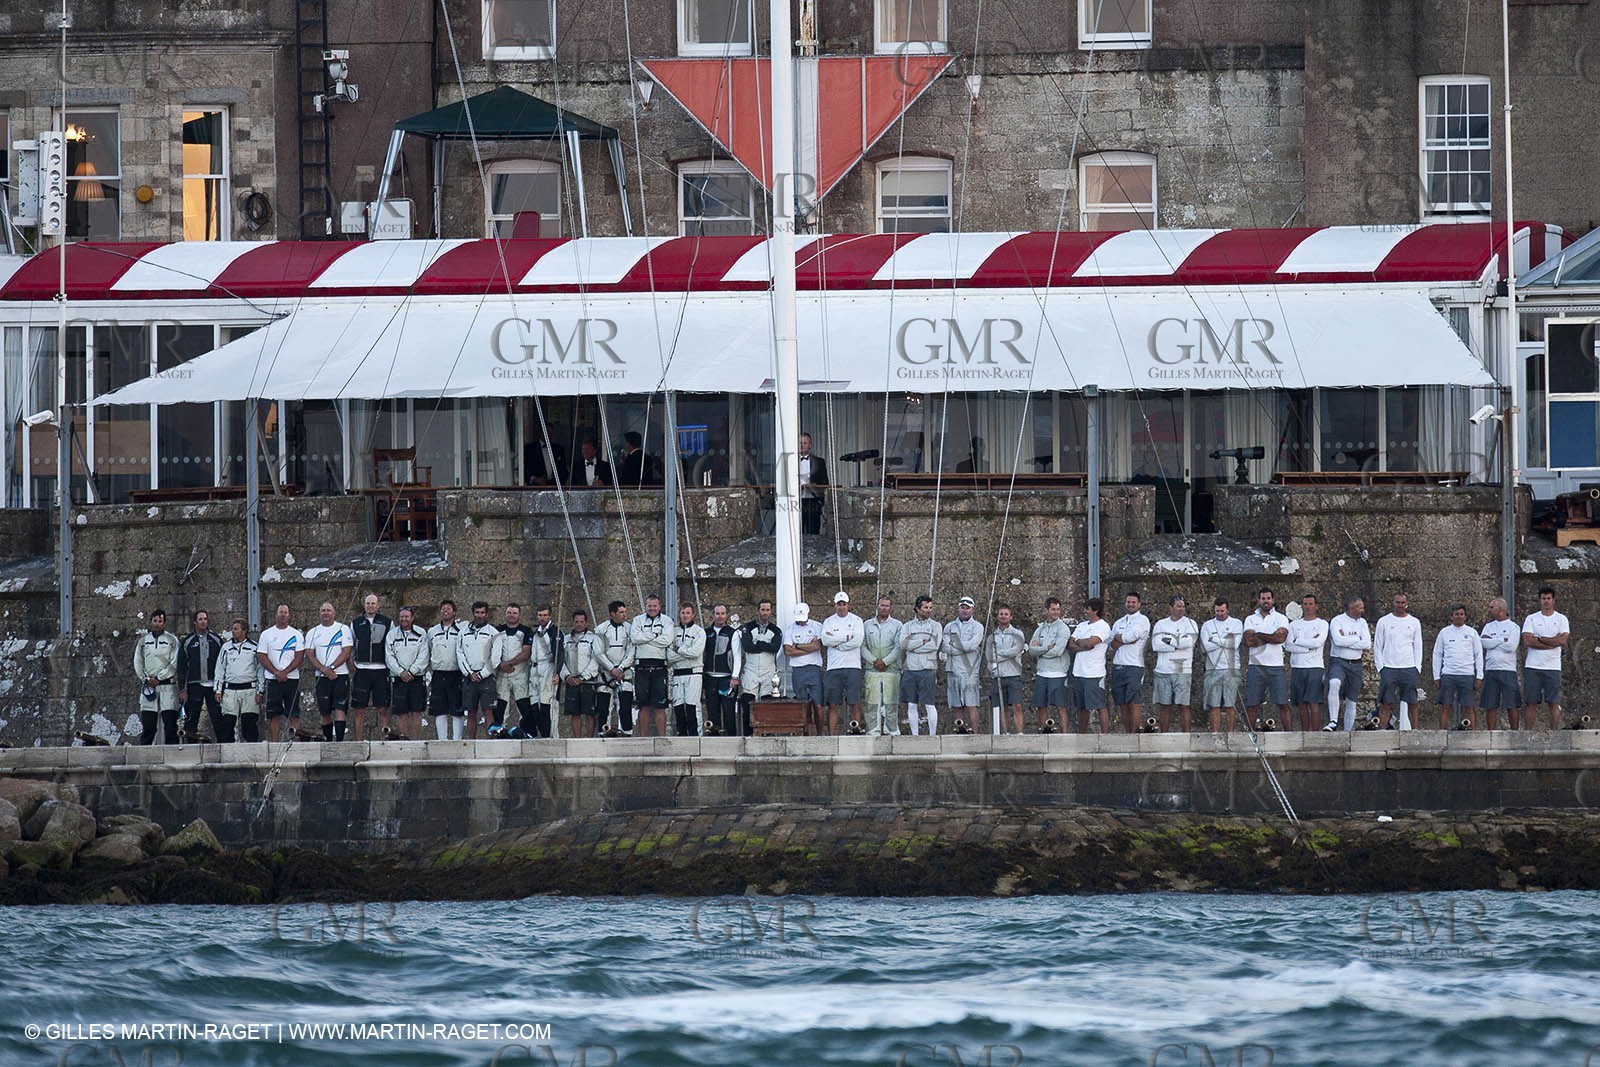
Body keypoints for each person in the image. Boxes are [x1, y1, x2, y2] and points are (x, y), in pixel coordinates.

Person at [1522, 585, 1570, 731]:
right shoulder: (1531, 618)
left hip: (1553, 667)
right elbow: (1528, 641)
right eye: (1543, 598)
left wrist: (1540, 638)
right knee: (1531, 702)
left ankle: (1554, 733)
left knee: (1553, 702)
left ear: (1553, 600)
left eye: (1549, 598)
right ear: (1539, 600)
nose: (1546, 601)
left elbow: (1562, 641)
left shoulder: (1561, 619)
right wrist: (1551, 643)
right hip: (1533, 666)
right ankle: (1528, 733)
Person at [1242, 588, 1290, 731]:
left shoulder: (1281, 618)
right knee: (1252, 704)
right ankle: (1250, 736)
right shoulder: (1250, 619)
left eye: (1268, 598)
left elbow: (1280, 638)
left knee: (1283, 703)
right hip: (1255, 666)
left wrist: (1260, 635)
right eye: (1263, 598)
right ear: (1258, 600)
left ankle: (1289, 735)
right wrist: (1271, 636)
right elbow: (1249, 641)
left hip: (1276, 666)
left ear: (1273, 600)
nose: (1266, 601)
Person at [305, 601, 354, 741]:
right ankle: (328, 741)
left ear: (334, 612)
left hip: (340, 674)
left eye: (328, 610)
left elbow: (346, 651)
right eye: (323, 610)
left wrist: (331, 668)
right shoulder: (313, 632)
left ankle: (339, 742)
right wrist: (323, 670)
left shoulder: (343, 629)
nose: (325, 613)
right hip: (321, 676)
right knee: (324, 711)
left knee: (340, 708)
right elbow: (310, 654)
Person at [1375, 592, 1424, 731]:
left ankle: (1415, 730)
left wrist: (1417, 668)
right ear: (1393, 603)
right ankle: (1382, 731)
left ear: (1406, 604)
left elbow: (1418, 646)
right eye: (1397, 602)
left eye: (1403, 603)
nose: (1400, 605)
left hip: (1408, 667)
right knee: (1386, 702)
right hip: (1389, 668)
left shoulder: (1414, 622)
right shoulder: (1384, 621)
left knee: (1412, 702)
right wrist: (1381, 668)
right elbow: (1378, 646)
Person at [257, 603, 305, 742]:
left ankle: (294, 742)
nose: (283, 615)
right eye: (280, 612)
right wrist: (276, 672)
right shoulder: (266, 634)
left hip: (292, 679)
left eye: (285, 612)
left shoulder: (296, 634)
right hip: (273, 679)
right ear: (276, 614)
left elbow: (299, 656)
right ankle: (275, 743)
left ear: (289, 615)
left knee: (294, 713)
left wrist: (285, 672)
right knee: (273, 714)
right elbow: (262, 656)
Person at [1150, 595, 1198, 733]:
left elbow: (1188, 642)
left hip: (1182, 669)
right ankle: (1163, 735)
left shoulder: (1190, 623)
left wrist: (1168, 640)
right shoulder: (1161, 624)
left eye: (1183, 606)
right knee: (1165, 705)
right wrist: (1176, 645)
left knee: (1183, 705)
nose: (1181, 609)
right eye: (1178, 606)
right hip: (1163, 669)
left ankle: (1186, 735)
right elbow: (1156, 645)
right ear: (1171, 607)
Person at [133, 608, 182, 745]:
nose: (157, 624)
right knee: (148, 726)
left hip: (167, 686)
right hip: (149, 687)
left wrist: (160, 677)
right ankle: (145, 755)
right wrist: (146, 679)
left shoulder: (172, 640)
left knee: (171, 725)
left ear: (164, 623)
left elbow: (175, 662)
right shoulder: (143, 641)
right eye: (155, 621)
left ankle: (172, 754)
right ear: (151, 622)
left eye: (160, 621)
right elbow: (138, 661)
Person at [819, 592, 865, 736]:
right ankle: (832, 735)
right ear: (835, 605)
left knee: (854, 702)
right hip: (834, 668)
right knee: (832, 704)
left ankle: (855, 732)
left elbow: (857, 641)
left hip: (853, 667)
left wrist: (838, 644)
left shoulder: (857, 620)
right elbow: (826, 641)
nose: (841, 607)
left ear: (848, 605)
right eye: (839, 604)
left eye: (844, 604)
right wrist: (846, 638)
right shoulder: (828, 621)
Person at [1433, 603, 1483, 730]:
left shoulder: (1472, 633)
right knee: (1445, 706)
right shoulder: (1444, 633)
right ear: (1451, 617)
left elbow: (1478, 655)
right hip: (1448, 674)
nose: (1459, 616)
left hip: (1467, 674)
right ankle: (1443, 733)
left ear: (1465, 616)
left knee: (1469, 706)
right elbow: (1437, 655)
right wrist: (1436, 676)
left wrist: (1479, 676)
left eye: (1461, 614)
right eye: (1456, 614)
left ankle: (1472, 734)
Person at [176, 609, 224, 742]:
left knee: (217, 717)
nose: (203, 622)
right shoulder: (188, 641)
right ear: (194, 622)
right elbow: (181, 666)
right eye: (200, 619)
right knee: (192, 718)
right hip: (194, 684)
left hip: (212, 684)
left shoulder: (216, 639)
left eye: (205, 619)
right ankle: (190, 746)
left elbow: (222, 663)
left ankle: (222, 744)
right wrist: (182, 689)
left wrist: (221, 687)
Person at [349, 594, 392, 742]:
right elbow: (352, 644)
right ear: (364, 605)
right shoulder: (355, 623)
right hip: (362, 669)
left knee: (382, 708)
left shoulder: (387, 622)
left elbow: (390, 645)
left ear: (378, 605)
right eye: (368, 603)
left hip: (381, 669)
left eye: (373, 603)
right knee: (359, 708)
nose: (370, 606)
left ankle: (383, 739)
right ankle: (359, 741)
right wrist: (352, 663)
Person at [737, 600, 784, 736]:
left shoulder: (776, 630)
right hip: (750, 670)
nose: (765, 613)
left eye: (767, 610)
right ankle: (748, 735)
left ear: (771, 611)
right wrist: (765, 645)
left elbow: (775, 648)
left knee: (767, 705)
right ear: (757, 611)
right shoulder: (747, 627)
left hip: (768, 670)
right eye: (762, 610)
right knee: (748, 704)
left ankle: (766, 734)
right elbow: (748, 647)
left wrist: (759, 643)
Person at [630, 594, 675, 737]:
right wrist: (655, 635)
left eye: (655, 606)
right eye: (649, 606)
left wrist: (646, 638)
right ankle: (643, 738)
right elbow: (635, 638)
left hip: (659, 667)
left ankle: (661, 737)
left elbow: (667, 640)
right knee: (643, 706)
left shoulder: (667, 621)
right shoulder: (637, 620)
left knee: (660, 707)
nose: (652, 608)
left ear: (659, 606)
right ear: (646, 606)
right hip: (641, 667)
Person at [214, 618, 264, 743]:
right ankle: (228, 751)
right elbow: (220, 669)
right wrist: (218, 690)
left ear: (244, 631)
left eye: (236, 629)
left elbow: (260, 670)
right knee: (228, 723)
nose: (233, 631)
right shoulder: (226, 648)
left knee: (249, 724)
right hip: (230, 690)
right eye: (233, 629)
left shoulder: (254, 647)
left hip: (249, 690)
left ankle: (252, 752)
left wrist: (260, 691)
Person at [1107, 591, 1151, 733]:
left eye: (1133, 602)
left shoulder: (1142, 620)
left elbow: (1132, 637)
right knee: (1122, 704)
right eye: (1128, 602)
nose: (1131, 604)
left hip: (1134, 666)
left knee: (1134, 702)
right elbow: (1111, 644)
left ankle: (1135, 733)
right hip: (1118, 665)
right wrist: (1123, 639)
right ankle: (1128, 734)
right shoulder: (1119, 622)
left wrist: (1121, 638)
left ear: (1139, 604)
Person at [1027, 597, 1072, 732]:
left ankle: (1064, 735)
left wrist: (1040, 651)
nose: (1056, 612)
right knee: (1041, 705)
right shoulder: (1040, 628)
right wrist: (1046, 648)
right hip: (1042, 673)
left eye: (1058, 609)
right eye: (1053, 609)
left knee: (1061, 706)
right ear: (1046, 610)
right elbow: (1031, 650)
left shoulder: (1063, 628)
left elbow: (1058, 651)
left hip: (1058, 673)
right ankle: (1043, 732)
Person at [1067, 597, 1111, 734]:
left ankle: (1105, 735)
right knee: (1082, 706)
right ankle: (1082, 734)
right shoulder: (1081, 626)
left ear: (1095, 610)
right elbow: (1071, 645)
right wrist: (1082, 645)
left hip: (1094, 673)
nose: (1085, 611)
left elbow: (1091, 643)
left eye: (1087, 609)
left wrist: (1080, 642)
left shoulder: (1103, 626)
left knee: (1099, 705)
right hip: (1079, 672)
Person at [384, 606, 429, 740]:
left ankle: (416, 741)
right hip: (399, 678)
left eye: (406, 616)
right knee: (401, 712)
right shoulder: (392, 634)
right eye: (402, 616)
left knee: (416, 712)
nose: (404, 619)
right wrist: (400, 672)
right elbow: (389, 656)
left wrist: (411, 671)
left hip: (417, 678)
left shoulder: (421, 633)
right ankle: (404, 739)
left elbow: (424, 655)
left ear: (412, 618)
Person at [457, 601, 501, 740]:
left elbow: (495, 658)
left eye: (482, 612)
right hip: (469, 677)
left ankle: (489, 743)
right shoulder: (463, 632)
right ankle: (471, 742)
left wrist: (482, 674)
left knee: (488, 712)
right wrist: (469, 673)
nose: (480, 615)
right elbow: (460, 653)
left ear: (487, 614)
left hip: (486, 678)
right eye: (477, 612)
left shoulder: (494, 633)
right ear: (473, 613)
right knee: (471, 713)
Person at [1285, 594, 1329, 732]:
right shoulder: (1293, 625)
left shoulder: (1322, 624)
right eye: (1305, 604)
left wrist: (1298, 641)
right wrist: (1308, 647)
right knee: (1301, 703)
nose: (1308, 607)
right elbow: (1288, 646)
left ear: (1316, 606)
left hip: (1315, 667)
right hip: (1298, 667)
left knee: (1313, 702)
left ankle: (1315, 733)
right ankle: (1304, 733)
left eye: (1311, 604)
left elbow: (1318, 642)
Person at [1326, 596, 1371, 731]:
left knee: (1352, 699)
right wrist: (1357, 639)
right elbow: (1338, 641)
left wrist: (1348, 640)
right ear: (1352, 608)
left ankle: (1348, 731)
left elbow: (1367, 644)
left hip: (1356, 663)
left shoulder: (1362, 623)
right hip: (1339, 661)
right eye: (1360, 607)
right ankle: (1333, 721)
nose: (1363, 610)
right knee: (1334, 683)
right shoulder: (1337, 621)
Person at [1200, 598, 1244, 733]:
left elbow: (1234, 644)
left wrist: (1214, 639)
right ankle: (1215, 735)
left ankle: (1231, 734)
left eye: (1222, 611)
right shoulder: (1207, 625)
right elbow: (1204, 647)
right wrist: (1225, 640)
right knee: (1215, 705)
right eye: (1217, 611)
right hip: (1212, 669)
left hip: (1231, 669)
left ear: (1228, 610)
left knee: (1230, 705)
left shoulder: (1236, 623)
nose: (1220, 614)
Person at [899, 595, 942, 736]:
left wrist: (914, 645)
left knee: (929, 704)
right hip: (910, 668)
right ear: (917, 609)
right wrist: (923, 642)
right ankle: (915, 735)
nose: (928, 610)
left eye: (930, 607)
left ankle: (932, 734)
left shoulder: (936, 626)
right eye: (925, 607)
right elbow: (903, 645)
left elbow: (934, 645)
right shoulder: (907, 626)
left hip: (928, 669)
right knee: (911, 704)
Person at [942, 596, 985, 731]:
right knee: (957, 704)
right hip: (953, 669)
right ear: (958, 608)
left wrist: (956, 646)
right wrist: (962, 647)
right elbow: (945, 647)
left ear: (973, 610)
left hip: (969, 671)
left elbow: (973, 645)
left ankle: (975, 733)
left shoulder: (977, 626)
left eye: (968, 608)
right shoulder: (949, 626)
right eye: (963, 608)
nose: (965, 611)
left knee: (971, 704)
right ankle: (959, 731)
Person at [492, 604, 536, 737]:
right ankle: (499, 734)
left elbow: (526, 653)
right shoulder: (497, 631)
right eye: (509, 612)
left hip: (520, 674)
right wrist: (500, 665)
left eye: (514, 613)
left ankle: (527, 734)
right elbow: (492, 651)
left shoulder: (526, 631)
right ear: (505, 614)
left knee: (524, 706)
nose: (511, 615)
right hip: (502, 674)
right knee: (500, 706)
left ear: (519, 615)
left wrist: (509, 663)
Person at [862, 596, 903, 736]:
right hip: (872, 669)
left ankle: (891, 729)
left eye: (887, 606)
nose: (884, 608)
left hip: (891, 670)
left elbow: (898, 647)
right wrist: (874, 661)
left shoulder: (898, 625)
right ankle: (873, 729)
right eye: (882, 605)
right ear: (876, 606)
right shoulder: (867, 625)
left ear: (891, 608)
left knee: (891, 702)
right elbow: (862, 646)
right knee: (872, 702)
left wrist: (885, 661)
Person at [1479, 597, 1522, 730]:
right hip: (1491, 669)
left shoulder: (1513, 627)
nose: (1489, 610)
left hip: (1508, 670)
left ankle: (1515, 732)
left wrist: (1494, 641)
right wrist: (1501, 640)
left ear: (1501, 609)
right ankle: (1490, 732)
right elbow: (1484, 642)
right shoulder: (1488, 626)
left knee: (1512, 703)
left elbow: (1511, 646)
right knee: (1490, 704)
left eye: (1492, 607)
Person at [426, 599, 465, 741]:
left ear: (454, 612)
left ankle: (457, 740)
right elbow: (429, 649)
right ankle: (442, 740)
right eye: (443, 609)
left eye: (448, 608)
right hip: (438, 673)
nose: (445, 611)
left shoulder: (461, 630)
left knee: (457, 709)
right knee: (439, 709)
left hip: (456, 674)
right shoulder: (432, 631)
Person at [595, 600, 636, 735]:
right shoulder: (601, 629)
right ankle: (603, 734)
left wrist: (621, 668)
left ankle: (627, 734)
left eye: (625, 612)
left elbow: (632, 650)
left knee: (625, 708)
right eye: (621, 612)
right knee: (603, 709)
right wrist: (611, 669)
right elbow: (598, 652)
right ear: (612, 614)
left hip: (624, 674)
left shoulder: (630, 629)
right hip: (606, 675)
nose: (624, 615)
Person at [784, 603, 825, 733]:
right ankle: (807, 733)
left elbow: (818, 646)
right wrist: (808, 647)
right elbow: (788, 651)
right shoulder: (789, 629)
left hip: (814, 669)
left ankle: (820, 733)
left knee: (818, 705)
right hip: (798, 670)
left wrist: (797, 645)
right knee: (803, 705)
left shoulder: (817, 626)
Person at [562, 609, 604, 736]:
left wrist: (583, 677)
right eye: (576, 622)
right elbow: (561, 660)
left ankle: (590, 740)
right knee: (575, 713)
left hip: (588, 681)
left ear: (586, 623)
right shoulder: (566, 639)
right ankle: (577, 740)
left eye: (581, 621)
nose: (579, 624)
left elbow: (595, 659)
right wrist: (567, 676)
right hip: (571, 681)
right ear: (572, 623)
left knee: (590, 713)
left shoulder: (593, 638)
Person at [703, 604, 743, 737]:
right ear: (713, 615)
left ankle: (731, 738)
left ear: (726, 615)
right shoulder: (706, 633)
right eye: (717, 614)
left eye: (723, 613)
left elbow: (737, 656)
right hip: (710, 678)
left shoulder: (733, 633)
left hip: (727, 678)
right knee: (712, 711)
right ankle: (714, 739)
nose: (720, 617)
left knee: (728, 711)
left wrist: (735, 676)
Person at [669, 602, 707, 737]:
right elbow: (668, 655)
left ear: (693, 615)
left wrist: (679, 650)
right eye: (683, 613)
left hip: (694, 673)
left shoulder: (699, 632)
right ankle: (682, 736)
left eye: (688, 613)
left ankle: (696, 737)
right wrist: (686, 653)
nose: (685, 616)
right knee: (678, 706)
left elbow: (696, 652)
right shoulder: (673, 632)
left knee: (692, 707)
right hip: (678, 674)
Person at [988, 604, 1027, 735]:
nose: (1003, 616)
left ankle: (1019, 733)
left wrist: (999, 653)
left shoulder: (1018, 634)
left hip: (1013, 674)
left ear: (1011, 617)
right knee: (1001, 707)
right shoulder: (992, 636)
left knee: (1017, 705)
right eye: (1001, 614)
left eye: (1006, 614)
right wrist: (1005, 654)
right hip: (998, 675)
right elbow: (990, 656)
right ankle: (1005, 732)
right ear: (997, 616)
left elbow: (1015, 651)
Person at [529, 606, 564, 738]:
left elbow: (559, 653)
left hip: (548, 668)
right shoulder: (536, 632)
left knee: (547, 706)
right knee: (534, 707)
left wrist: (557, 673)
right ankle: (544, 734)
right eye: (540, 615)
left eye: (544, 615)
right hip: (534, 670)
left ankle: (552, 736)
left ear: (549, 616)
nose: (542, 618)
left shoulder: (555, 632)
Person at [798, 432, 829, 536]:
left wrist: (821, 502)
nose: (802, 445)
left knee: (813, 533)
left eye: (805, 443)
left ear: (810, 445)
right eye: (800, 443)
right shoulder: (790, 461)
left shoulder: (819, 462)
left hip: (813, 501)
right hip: (796, 502)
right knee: (796, 533)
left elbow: (825, 483)